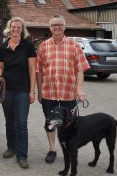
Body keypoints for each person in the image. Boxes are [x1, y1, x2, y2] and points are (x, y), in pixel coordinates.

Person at [36, 14, 90, 164]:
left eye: (60, 24)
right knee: (50, 123)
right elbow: (39, 71)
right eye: (54, 25)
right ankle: (52, 149)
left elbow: (80, 69)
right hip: (49, 93)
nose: (57, 27)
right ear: (50, 27)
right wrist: (40, 91)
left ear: (64, 27)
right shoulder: (43, 46)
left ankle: (69, 149)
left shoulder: (74, 45)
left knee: (69, 124)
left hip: (68, 94)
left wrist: (79, 89)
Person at [0, 17, 36, 169]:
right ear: (9, 28)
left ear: (22, 29)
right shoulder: (3, 46)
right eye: (13, 27)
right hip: (6, 90)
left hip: (23, 91)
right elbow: (0, 66)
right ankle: (11, 147)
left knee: (21, 123)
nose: (16, 29)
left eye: (19, 27)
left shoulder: (28, 46)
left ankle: (22, 155)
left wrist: (32, 91)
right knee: (9, 121)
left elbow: (32, 70)